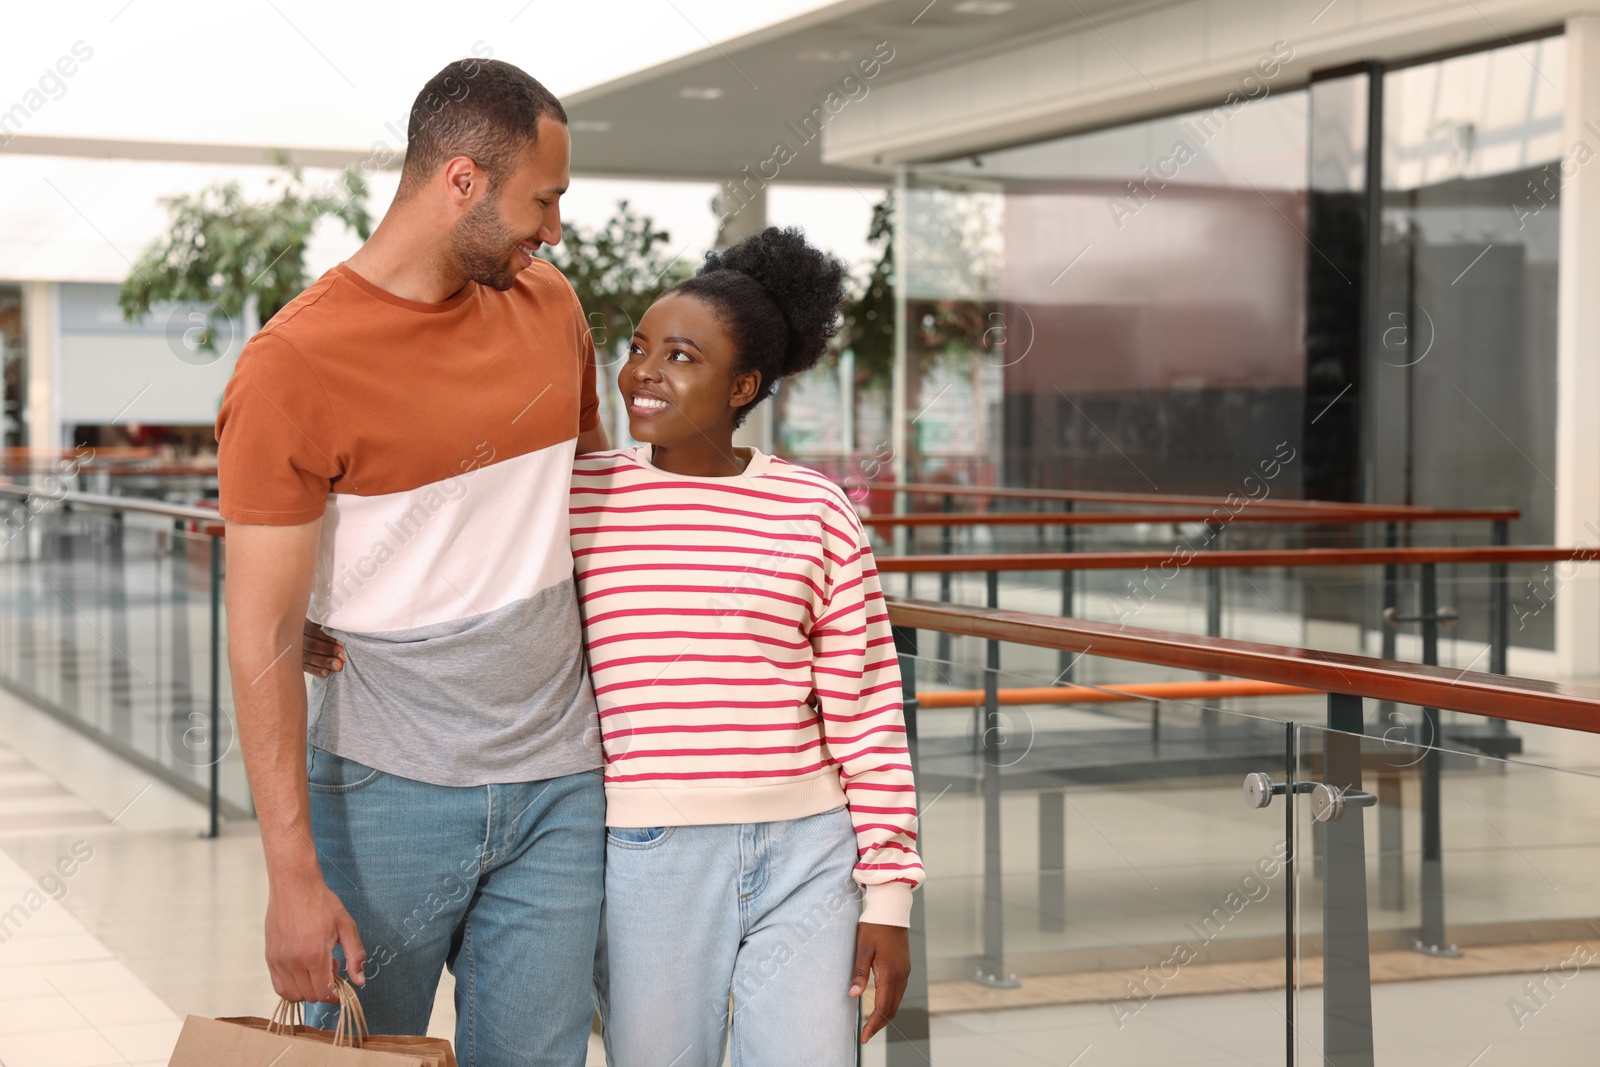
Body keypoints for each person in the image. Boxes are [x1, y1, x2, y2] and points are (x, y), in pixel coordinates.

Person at [307, 227, 924, 1065]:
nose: (643, 373)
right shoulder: (579, 493)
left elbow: (868, 701)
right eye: (638, 348)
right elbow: (438, 541)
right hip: (646, 852)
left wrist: (889, 895)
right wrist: (317, 606)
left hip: (810, 845)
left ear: (744, 384)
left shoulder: (814, 509)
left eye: (680, 356)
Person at [218, 58, 607, 1067]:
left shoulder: (551, 305)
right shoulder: (292, 364)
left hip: (560, 783)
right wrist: (291, 875)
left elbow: (600, 506)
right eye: (544, 200)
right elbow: (260, 634)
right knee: (354, 1058)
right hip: (382, 792)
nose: (554, 230)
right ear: (463, 181)